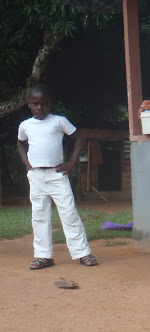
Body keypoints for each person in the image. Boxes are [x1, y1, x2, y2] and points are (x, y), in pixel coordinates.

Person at [17, 84, 98, 269]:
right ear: (29, 104)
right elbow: (20, 143)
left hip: (57, 174)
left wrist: (71, 162)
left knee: (69, 213)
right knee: (39, 215)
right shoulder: (25, 125)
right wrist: (26, 162)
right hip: (36, 176)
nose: (40, 107)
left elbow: (79, 138)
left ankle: (82, 253)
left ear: (50, 103)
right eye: (35, 104)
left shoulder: (59, 121)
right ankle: (43, 256)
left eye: (44, 104)